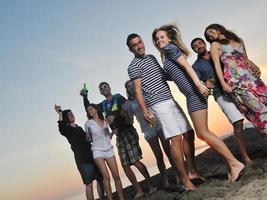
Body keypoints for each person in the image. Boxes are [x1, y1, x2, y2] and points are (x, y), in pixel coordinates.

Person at [152, 24, 245, 183]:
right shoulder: (167, 55)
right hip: (192, 93)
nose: (159, 40)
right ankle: (231, 165)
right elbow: (175, 74)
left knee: (203, 132)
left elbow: (187, 67)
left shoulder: (170, 49)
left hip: (194, 93)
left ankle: (235, 163)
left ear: (169, 38)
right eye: (157, 38)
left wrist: (199, 85)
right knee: (203, 132)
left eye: (162, 37)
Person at [127, 33, 203, 190]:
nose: (139, 46)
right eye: (134, 45)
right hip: (157, 104)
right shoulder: (133, 66)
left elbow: (164, 76)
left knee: (189, 133)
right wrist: (145, 111)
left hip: (170, 99)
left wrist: (182, 72)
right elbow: (138, 91)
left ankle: (192, 172)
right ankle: (185, 181)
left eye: (140, 42)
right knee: (175, 139)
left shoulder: (152, 59)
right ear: (130, 49)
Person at [80, 83, 156, 199]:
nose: (103, 89)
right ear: (100, 92)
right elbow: (90, 108)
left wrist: (114, 115)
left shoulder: (118, 97)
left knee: (135, 161)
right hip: (119, 136)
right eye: (101, 88)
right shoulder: (103, 105)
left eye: (105, 87)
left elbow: (126, 108)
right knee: (125, 165)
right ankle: (138, 190)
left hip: (128, 131)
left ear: (109, 88)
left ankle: (151, 185)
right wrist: (85, 97)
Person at [190, 37, 252, 165]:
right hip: (220, 94)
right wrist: (205, 83)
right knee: (237, 122)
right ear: (194, 50)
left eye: (199, 43)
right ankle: (246, 158)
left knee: (254, 115)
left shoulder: (218, 53)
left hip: (236, 88)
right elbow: (198, 84)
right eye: (195, 46)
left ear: (204, 43)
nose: (198, 46)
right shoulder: (196, 66)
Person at [204, 23, 267, 139]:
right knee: (259, 111)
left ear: (218, 28)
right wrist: (223, 84)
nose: (211, 36)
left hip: (253, 79)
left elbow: (245, 58)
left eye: (211, 32)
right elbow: (217, 67)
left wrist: (254, 66)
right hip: (237, 82)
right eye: (209, 36)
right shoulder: (215, 45)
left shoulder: (239, 40)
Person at [123, 79, 180, 187]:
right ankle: (165, 179)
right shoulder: (129, 103)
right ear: (127, 90)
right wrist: (125, 114)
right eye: (128, 87)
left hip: (158, 123)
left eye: (132, 85)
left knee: (168, 151)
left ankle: (177, 174)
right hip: (147, 129)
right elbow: (129, 120)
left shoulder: (145, 93)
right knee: (158, 156)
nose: (131, 88)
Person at [54, 105, 104, 200]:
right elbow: (61, 127)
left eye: (71, 113)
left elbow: (88, 139)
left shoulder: (79, 128)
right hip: (83, 161)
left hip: (93, 156)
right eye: (69, 115)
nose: (72, 115)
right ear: (66, 118)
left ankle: (102, 198)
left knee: (100, 179)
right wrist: (60, 113)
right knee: (89, 184)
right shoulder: (67, 130)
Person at [84, 103, 124, 200]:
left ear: (96, 109)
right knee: (106, 176)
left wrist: (112, 133)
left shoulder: (105, 121)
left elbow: (107, 136)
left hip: (109, 150)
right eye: (88, 110)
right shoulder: (88, 123)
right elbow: (88, 139)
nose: (90, 111)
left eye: (91, 109)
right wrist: (88, 137)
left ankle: (122, 198)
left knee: (117, 176)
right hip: (97, 151)